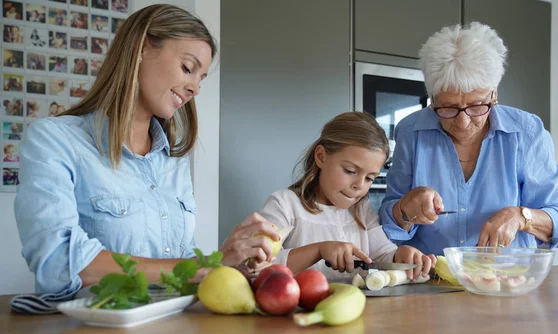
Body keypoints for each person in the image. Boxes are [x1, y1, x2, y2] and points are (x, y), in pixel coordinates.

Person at [15, 4, 279, 297]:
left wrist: (228, 267)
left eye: (201, 78)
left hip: (172, 329)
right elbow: (58, 262)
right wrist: (204, 267)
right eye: (188, 68)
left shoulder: (172, 161)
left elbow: (182, 267)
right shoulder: (53, 140)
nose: (195, 89)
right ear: (142, 48)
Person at [380, 22, 558, 256]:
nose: (463, 122)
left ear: (494, 94)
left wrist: (521, 217)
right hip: (429, 280)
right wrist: (405, 209)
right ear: (433, 100)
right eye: (447, 108)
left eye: (477, 106)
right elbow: (387, 228)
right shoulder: (411, 131)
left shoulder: (526, 132)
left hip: (509, 280)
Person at [259, 112, 435, 282]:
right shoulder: (284, 204)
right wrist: (319, 250)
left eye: (369, 178)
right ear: (321, 157)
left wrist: (400, 255)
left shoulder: (362, 211)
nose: (359, 185)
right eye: (350, 171)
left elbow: (382, 253)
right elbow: (257, 265)